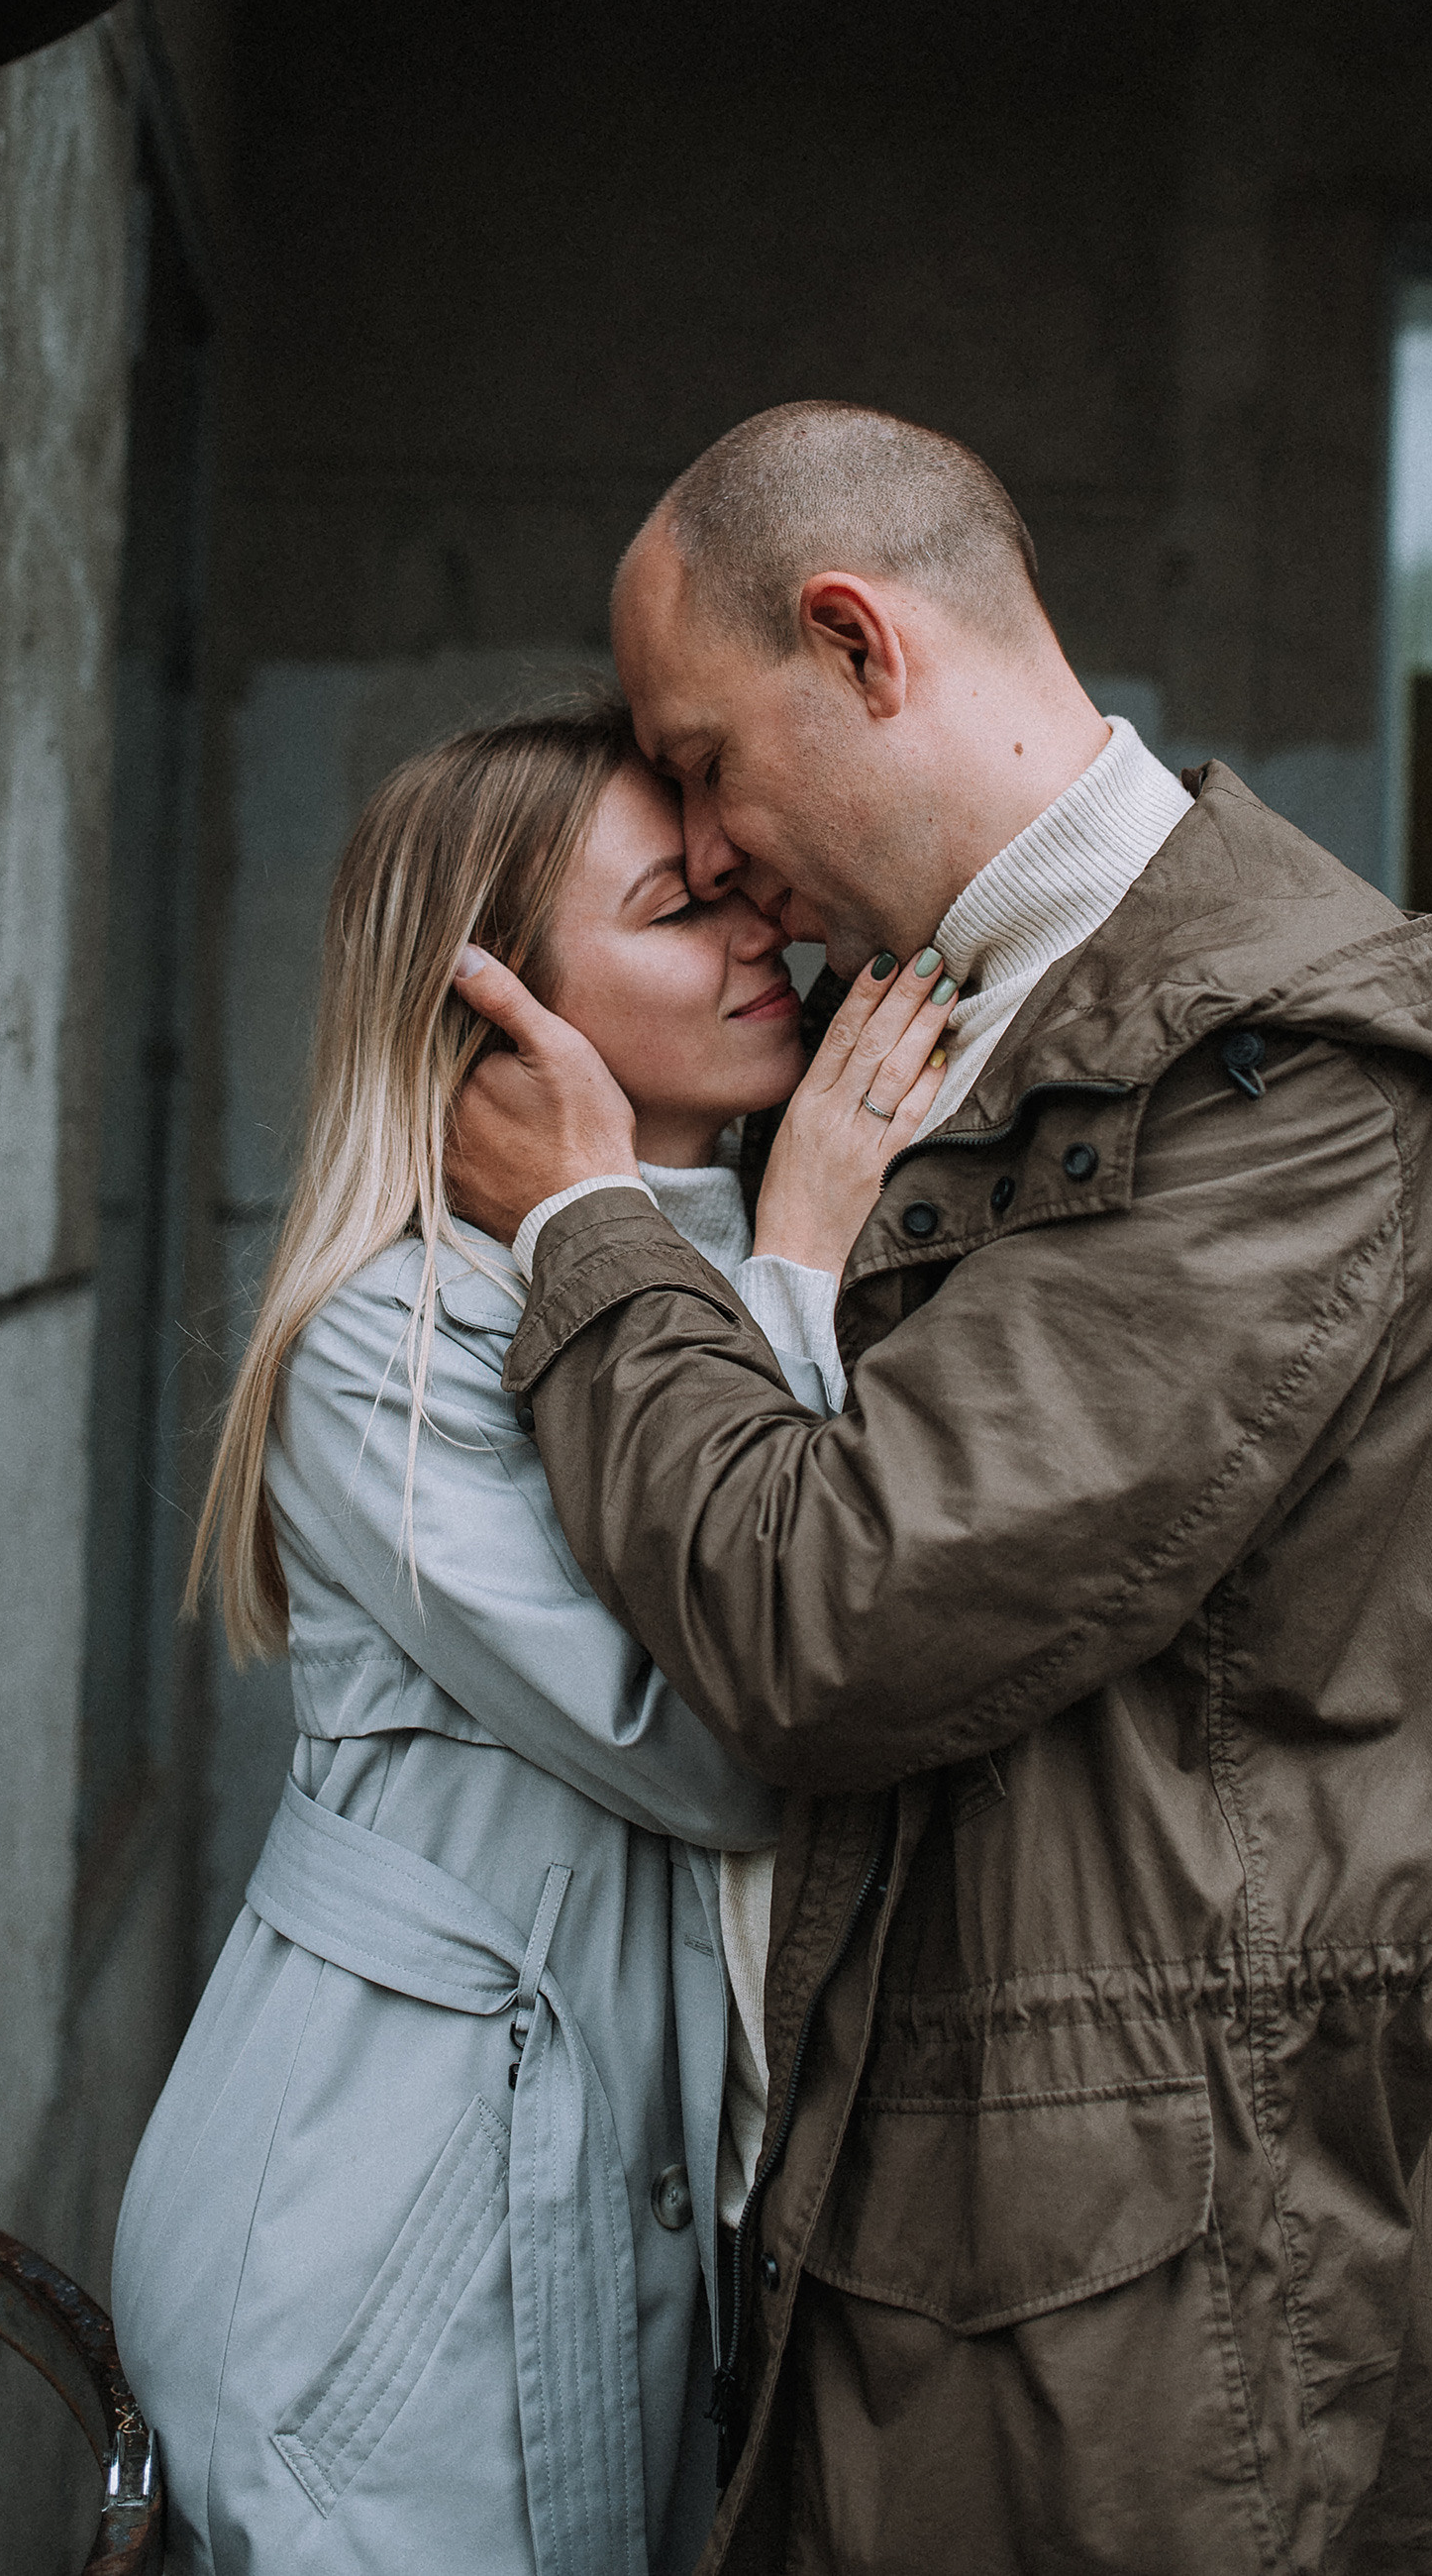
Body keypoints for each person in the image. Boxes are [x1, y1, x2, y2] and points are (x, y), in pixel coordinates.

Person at [447, 401, 1432, 2576]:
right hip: (949, 2235)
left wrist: (588, 1231)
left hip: (1129, 2322)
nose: (695, 830)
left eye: (697, 756)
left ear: (861, 643)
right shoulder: (935, 1013)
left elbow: (829, 1616)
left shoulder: (1287, 1084)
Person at [111, 700, 952, 2576]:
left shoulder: (751, 1252)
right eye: (677, 909)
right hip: (381, 2278)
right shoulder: (387, 1346)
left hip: (576, 2226)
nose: (766, 939)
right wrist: (799, 1263)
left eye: (740, 893)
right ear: (501, 1013)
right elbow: (733, 1731)